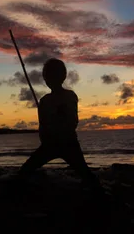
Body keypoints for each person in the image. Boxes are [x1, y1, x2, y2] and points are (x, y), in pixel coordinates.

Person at [16, 58, 105, 195]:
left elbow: (70, 122)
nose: (47, 79)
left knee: (84, 173)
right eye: (46, 76)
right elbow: (45, 125)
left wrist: (53, 126)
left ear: (61, 76)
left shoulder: (65, 97)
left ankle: (97, 191)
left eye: (49, 75)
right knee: (26, 170)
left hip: (65, 143)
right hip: (57, 144)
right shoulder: (47, 100)